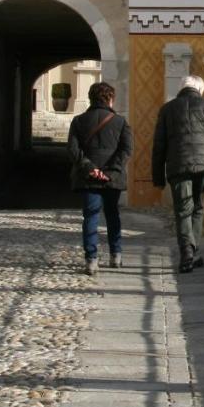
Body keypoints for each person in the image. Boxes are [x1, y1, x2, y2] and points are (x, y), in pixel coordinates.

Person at [152, 74, 204, 273]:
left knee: (183, 209)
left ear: (181, 88)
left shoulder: (167, 109)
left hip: (178, 166)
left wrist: (158, 177)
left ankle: (187, 251)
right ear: (200, 90)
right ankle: (193, 251)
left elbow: (159, 146)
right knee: (198, 207)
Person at [68, 81, 133, 276]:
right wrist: (110, 172)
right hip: (111, 177)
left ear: (91, 98)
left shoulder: (78, 121)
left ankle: (91, 259)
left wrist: (90, 168)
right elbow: (126, 150)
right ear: (110, 99)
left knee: (90, 216)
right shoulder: (120, 122)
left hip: (89, 177)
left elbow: (73, 149)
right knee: (112, 215)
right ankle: (116, 255)